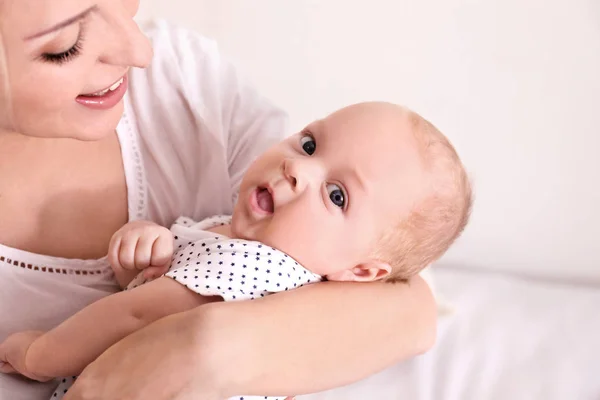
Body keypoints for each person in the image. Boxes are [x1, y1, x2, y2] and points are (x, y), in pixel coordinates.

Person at [0, 1, 438, 399]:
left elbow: (413, 304)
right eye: (66, 46)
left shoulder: (186, 84)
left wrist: (39, 354)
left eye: (123, 2)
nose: (140, 51)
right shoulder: (244, 234)